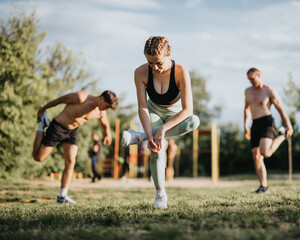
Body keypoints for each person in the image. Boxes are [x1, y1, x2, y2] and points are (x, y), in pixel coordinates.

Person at [121, 36, 200, 209]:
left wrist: (163, 128)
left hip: (176, 115)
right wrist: (152, 133)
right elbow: (142, 107)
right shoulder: (140, 73)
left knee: (194, 121)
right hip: (154, 111)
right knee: (157, 147)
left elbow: (188, 110)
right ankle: (160, 195)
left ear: (169, 54)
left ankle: (139, 137)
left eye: (159, 63)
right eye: (150, 63)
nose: (155, 67)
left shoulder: (180, 71)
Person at [32, 90, 118, 204]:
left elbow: (104, 122)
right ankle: (42, 124)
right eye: (106, 106)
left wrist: (108, 134)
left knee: (71, 161)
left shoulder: (101, 111)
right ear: (102, 98)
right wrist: (43, 109)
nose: (105, 110)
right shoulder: (80, 97)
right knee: (38, 157)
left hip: (72, 131)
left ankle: (62, 196)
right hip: (58, 127)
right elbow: (59, 100)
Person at [244, 68, 293, 194]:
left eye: (253, 79)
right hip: (255, 124)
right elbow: (246, 109)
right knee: (256, 157)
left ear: (259, 75)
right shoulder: (248, 91)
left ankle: (282, 135)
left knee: (265, 152)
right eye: (249, 79)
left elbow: (280, 109)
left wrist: (288, 125)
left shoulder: (269, 91)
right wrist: (245, 125)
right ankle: (263, 187)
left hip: (267, 123)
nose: (251, 82)